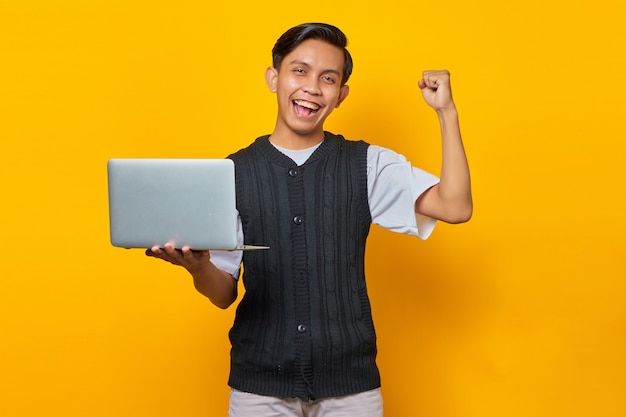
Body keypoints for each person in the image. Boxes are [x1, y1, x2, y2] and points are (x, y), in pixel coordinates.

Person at [146, 22, 472, 417]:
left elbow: (455, 207)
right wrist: (198, 267)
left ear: (341, 95)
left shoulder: (367, 165)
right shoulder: (231, 173)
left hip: (351, 389)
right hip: (259, 388)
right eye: (299, 71)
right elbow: (223, 294)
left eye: (328, 78)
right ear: (274, 77)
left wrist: (446, 113)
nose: (312, 87)